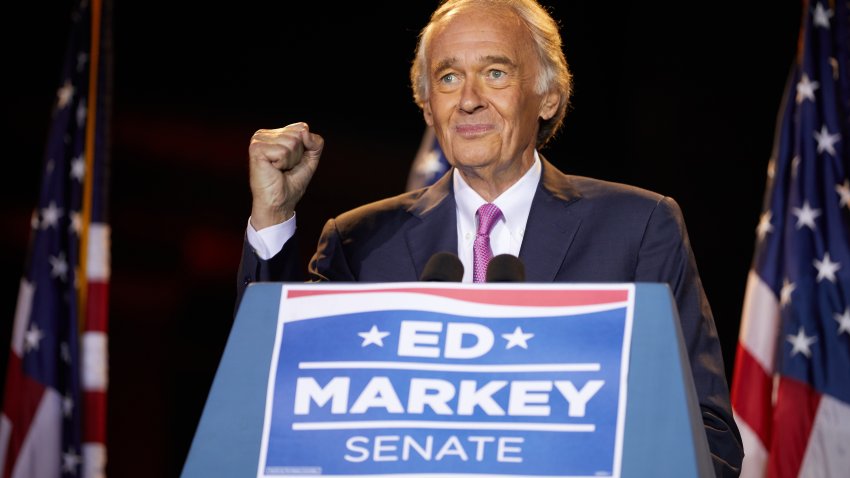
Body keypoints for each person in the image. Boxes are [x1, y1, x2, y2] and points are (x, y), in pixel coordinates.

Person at [237, 0, 744, 475]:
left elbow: (707, 436)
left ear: (548, 97)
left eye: (495, 73)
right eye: (449, 77)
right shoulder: (359, 241)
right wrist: (274, 213)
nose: (469, 100)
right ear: (427, 106)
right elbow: (273, 401)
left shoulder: (636, 226)